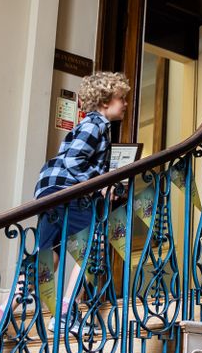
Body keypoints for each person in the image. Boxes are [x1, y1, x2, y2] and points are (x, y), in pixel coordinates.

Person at [34, 71, 131, 249]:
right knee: (95, 241)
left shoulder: (95, 125)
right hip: (63, 190)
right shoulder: (95, 125)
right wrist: (102, 184)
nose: (126, 103)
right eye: (121, 98)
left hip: (50, 190)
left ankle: (34, 269)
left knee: (49, 249)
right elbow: (74, 159)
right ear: (105, 101)